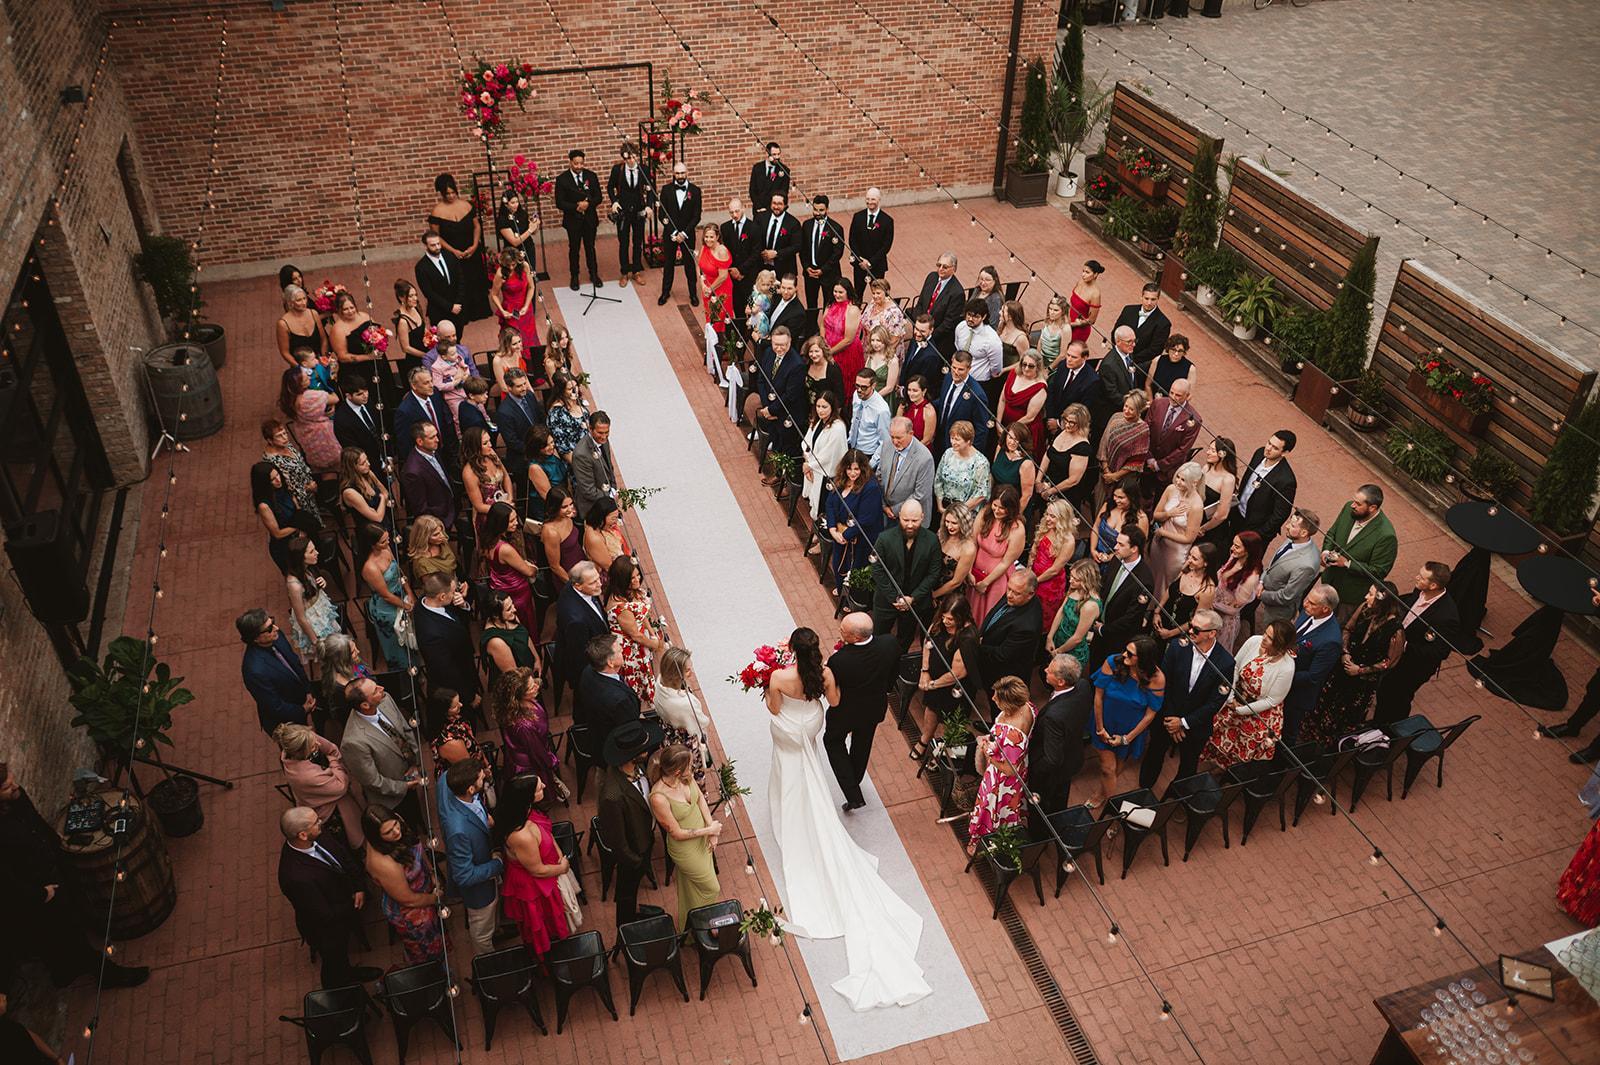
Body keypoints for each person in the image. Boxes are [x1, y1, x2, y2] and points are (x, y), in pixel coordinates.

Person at [763, 627, 931, 1008]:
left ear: (791, 649)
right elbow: (835, 702)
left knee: (790, 767)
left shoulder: (779, 677)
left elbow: (773, 708)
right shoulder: (824, 673)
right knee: (808, 762)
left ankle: (791, 808)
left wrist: (769, 689)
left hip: (788, 730)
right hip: (810, 724)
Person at [0, 763, 150, 990]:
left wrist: (57, 844)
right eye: (5, 787)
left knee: (68, 923)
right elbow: (7, 879)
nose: (13, 785)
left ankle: (64, 972)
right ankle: (107, 974)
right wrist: (41, 894)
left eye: (11, 779)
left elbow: (35, 821)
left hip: (51, 867)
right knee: (69, 934)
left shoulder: (16, 797)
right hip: (39, 886)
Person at [277, 807, 381, 987]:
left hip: (343, 904)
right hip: (328, 928)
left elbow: (344, 857)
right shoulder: (294, 876)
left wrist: (359, 887)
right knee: (334, 962)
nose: (321, 823)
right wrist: (353, 904)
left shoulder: (318, 835)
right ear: (302, 835)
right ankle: (340, 989)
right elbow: (323, 914)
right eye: (315, 822)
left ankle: (348, 973)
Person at [1139, 610, 1234, 790]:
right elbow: (1165, 683)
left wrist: (1183, 723)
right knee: (1153, 756)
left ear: (1212, 633)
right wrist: (1172, 720)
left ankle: (1172, 798)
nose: (1190, 631)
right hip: (1167, 718)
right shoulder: (1177, 647)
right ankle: (1143, 792)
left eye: (1196, 629)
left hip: (1195, 725)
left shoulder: (1226, 663)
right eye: (1190, 626)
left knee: (1187, 768)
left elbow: (1215, 702)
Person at [1300, 584, 1405, 747]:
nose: (1366, 597)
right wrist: (1345, 652)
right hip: (1342, 668)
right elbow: (1348, 629)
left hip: (1361, 684)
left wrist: (1360, 670)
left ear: (1381, 600)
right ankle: (1308, 737)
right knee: (1323, 702)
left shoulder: (1395, 630)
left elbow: (1390, 662)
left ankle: (1330, 746)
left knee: (1343, 714)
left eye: (1370, 594)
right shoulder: (1365, 609)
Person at [824, 613, 901, 812]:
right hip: (874, 707)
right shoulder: (889, 643)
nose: (839, 631)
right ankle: (855, 779)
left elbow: (834, 688)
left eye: (843, 630)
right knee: (862, 744)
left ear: (856, 637)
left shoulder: (839, 660)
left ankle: (853, 793)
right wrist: (886, 689)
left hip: (845, 711)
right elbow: (895, 669)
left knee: (832, 741)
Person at [1203, 620, 1296, 770]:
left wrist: (1241, 710)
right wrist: (1231, 697)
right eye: (1265, 633)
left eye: (1270, 638)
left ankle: (1226, 773)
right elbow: (1234, 667)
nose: (1264, 638)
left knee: (1238, 750)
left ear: (1280, 644)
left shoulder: (1287, 667)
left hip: (1257, 712)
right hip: (1234, 697)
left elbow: (1271, 700)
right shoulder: (1254, 641)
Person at [647, 743, 722, 929]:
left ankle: (689, 927)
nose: (692, 767)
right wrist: (709, 831)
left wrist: (711, 827)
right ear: (677, 771)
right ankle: (704, 923)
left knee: (691, 888)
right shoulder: (658, 797)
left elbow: (700, 800)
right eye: (689, 765)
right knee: (712, 888)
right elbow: (677, 833)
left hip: (703, 839)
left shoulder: (686, 778)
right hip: (686, 849)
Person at [597, 718, 664, 925]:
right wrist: (636, 861)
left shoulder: (638, 767)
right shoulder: (612, 796)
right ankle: (626, 924)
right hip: (634, 852)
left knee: (631, 889)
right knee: (627, 891)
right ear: (632, 756)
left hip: (645, 838)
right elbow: (617, 841)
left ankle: (633, 912)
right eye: (643, 749)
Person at [1374, 562, 1460, 723]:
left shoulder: (1446, 616)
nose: (1416, 578)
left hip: (1412, 666)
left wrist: (1404, 645)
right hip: (1394, 655)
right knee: (1384, 690)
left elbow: (1440, 652)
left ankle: (1390, 728)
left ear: (1433, 585)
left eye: (1421, 577)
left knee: (1398, 698)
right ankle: (1378, 721)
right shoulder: (1420, 590)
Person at [496, 773, 571, 955]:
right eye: (538, 787)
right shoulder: (522, 836)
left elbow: (546, 833)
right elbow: (537, 870)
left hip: (547, 873)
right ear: (527, 797)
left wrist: (557, 852)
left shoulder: (525, 811)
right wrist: (562, 868)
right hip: (535, 888)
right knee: (542, 923)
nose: (544, 786)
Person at [361, 808, 444, 965]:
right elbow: (408, 900)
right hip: (411, 912)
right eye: (388, 832)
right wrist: (435, 898)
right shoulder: (384, 864)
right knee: (423, 952)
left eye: (395, 825)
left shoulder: (396, 822)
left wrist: (432, 872)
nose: (396, 831)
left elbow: (416, 846)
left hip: (425, 894)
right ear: (376, 837)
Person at [1089, 635, 1165, 808]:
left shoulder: (1157, 678)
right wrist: (1100, 728)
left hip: (1131, 729)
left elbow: (1150, 714)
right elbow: (1098, 696)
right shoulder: (1113, 662)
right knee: (1107, 767)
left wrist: (1126, 739)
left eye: (1130, 654)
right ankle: (1112, 809)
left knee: (1117, 766)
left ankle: (1103, 792)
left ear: (1144, 658)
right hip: (1105, 722)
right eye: (1125, 650)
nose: (1124, 655)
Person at [438, 759, 504, 954]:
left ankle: (497, 932)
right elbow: (464, 875)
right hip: (480, 891)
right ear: (470, 789)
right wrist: (497, 863)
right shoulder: (458, 831)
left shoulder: (447, 780)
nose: (485, 777)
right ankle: (487, 962)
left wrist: (484, 816)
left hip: (483, 853)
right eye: (481, 778)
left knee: (492, 920)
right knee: (481, 933)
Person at [342, 675, 424, 826]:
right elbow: (373, 781)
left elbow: (405, 730)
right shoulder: (353, 741)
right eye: (375, 691)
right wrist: (404, 786)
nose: (382, 689)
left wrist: (415, 763)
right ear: (365, 705)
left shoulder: (385, 699)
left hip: (410, 774)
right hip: (392, 798)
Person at [967, 675, 1035, 854]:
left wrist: (986, 751)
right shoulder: (1028, 707)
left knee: (990, 807)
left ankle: (982, 840)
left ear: (1009, 703)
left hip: (1001, 780)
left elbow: (1010, 770)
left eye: (997, 697)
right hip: (1020, 765)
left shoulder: (1013, 733)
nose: (992, 698)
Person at [276, 723, 366, 848]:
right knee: (351, 839)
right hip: (332, 811)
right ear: (302, 752)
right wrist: (334, 762)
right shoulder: (306, 776)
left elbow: (331, 748)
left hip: (334, 794)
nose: (318, 744)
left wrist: (333, 765)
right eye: (313, 746)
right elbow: (340, 786)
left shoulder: (303, 740)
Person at [912, 595, 980, 759]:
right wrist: (925, 671)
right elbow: (928, 642)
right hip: (934, 678)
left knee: (952, 722)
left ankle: (944, 755)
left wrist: (932, 685)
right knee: (931, 709)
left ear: (961, 617)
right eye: (943, 617)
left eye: (950, 619)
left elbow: (957, 673)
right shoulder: (939, 622)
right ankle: (925, 740)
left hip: (955, 688)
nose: (945, 621)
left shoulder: (967, 638)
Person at [1318, 484, 1398, 620]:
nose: (1353, 505)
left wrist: (1347, 564)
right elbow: (1332, 533)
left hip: (1348, 597)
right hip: (1329, 581)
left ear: (1372, 508)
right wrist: (1326, 551)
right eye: (1354, 501)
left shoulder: (1386, 535)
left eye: (1358, 504)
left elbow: (1379, 571)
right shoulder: (1348, 509)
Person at [1027, 655, 1094, 818]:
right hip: (1071, 755)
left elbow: (1052, 759)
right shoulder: (1083, 685)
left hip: (1052, 771)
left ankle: (1041, 829)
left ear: (1061, 682)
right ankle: (1058, 816)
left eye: (1049, 671)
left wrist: (1033, 769)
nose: (1045, 670)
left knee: (1041, 804)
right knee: (1060, 796)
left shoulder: (1053, 717)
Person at [869, 499, 941, 644]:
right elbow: (877, 569)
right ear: (899, 516)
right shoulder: (884, 538)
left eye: (914, 520)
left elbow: (933, 574)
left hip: (915, 603)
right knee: (878, 638)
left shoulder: (932, 540)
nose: (909, 525)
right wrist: (895, 598)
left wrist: (913, 598)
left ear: (922, 517)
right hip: (886, 601)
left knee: (905, 640)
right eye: (905, 520)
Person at [1281, 584, 1343, 743]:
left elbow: (1313, 676)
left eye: (1312, 603)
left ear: (1325, 609)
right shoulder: (1309, 611)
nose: (1305, 604)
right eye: (1307, 599)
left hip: (1297, 694)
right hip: (1283, 677)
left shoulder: (1331, 640)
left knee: (1287, 731)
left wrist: (1282, 676)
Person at [239, 608, 314, 735]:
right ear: (255, 639)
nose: (276, 628)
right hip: (286, 722)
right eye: (269, 628)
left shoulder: (276, 636)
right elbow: (275, 706)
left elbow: (294, 662)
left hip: (301, 699)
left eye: (272, 622)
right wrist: (302, 710)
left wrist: (308, 690)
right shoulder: (254, 671)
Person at [427, 173, 490, 323]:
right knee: (458, 283)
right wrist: (453, 251)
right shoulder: (437, 211)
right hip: (452, 252)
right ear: (441, 193)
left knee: (475, 278)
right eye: (447, 194)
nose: (451, 196)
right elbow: (436, 237)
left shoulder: (467, 206)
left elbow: (476, 226)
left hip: (471, 250)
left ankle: (479, 310)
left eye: (453, 192)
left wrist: (474, 245)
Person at [413, 572, 481, 710]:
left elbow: (458, 619)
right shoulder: (431, 635)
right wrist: (470, 696)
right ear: (442, 597)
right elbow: (447, 672)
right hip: (458, 680)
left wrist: (463, 605)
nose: (456, 594)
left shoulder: (425, 601)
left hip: (465, 659)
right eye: (453, 592)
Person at [1091, 527, 1155, 672]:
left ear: (1134, 549)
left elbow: (1132, 617)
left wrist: (1103, 629)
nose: (1115, 547)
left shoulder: (1144, 580)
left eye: (1121, 544)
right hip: (1100, 630)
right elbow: (1104, 587)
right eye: (1117, 542)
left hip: (1117, 639)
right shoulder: (1116, 560)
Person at [492, 667, 560, 794]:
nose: (537, 686)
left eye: (533, 681)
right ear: (518, 696)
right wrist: (551, 762)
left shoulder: (522, 704)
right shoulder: (524, 725)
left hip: (533, 750)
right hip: (531, 763)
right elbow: (536, 753)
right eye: (531, 687)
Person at [824, 449, 884, 592]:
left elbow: (866, 520)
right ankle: (841, 589)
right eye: (849, 469)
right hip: (840, 533)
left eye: (856, 469)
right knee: (838, 563)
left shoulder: (871, 487)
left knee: (855, 569)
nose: (852, 473)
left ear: (862, 468)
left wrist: (844, 535)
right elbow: (830, 503)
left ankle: (850, 596)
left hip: (860, 539)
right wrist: (832, 529)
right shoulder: (840, 479)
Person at [607, 555, 663, 703]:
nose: (637, 580)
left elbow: (642, 615)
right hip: (630, 650)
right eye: (632, 578)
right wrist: (655, 644)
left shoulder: (628, 592)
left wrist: (652, 632)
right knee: (636, 683)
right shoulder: (621, 607)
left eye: (638, 575)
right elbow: (635, 635)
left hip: (639, 642)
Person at [555, 562, 610, 707]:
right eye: (593, 583)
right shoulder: (576, 621)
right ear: (578, 586)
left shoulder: (576, 588)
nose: (599, 584)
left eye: (598, 578)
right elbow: (580, 658)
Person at [283, 536, 343, 669]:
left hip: (320, 608)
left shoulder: (308, 568)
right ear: (300, 557)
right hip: (313, 620)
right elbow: (301, 618)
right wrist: (316, 642)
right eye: (311, 551)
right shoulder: (294, 585)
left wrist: (322, 583)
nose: (317, 553)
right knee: (330, 655)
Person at [967, 487, 1025, 623]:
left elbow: (1006, 562)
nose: (997, 510)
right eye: (995, 505)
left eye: (1002, 508)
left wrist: (985, 583)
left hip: (996, 579)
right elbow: (972, 542)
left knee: (988, 614)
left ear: (1011, 509)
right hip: (975, 573)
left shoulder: (1017, 529)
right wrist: (968, 570)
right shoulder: (984, 513)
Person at [978, 570, 1044, 689]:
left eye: (1016, 593)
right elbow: (995, 612)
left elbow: (1003, 655)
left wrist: (979, 646)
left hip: (1003, 675)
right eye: (1009, 589)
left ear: (1030, 594)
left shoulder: (1027, 626)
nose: (1009, 595)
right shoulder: (1016, 594)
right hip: (990, 655)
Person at [654, 646, 712, 779]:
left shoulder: (661, 681)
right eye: (687, 670)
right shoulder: (684, 704)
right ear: (675, 674)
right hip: (684, 740)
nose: (691, 672)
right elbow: (701, 722)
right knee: (691, 772)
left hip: (668, 732)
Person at [1257, 509, 1322, 627]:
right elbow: (1274, 563)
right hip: (1266, 591)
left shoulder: (1307, 565)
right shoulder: (1294, 538)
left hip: (1278, 612)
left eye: (1292, 525)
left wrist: (1262, 594)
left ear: (1304, 533)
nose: (1286, 526)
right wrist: (1262, 581)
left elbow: (1287, 596)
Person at [1150, 461, 1207, 593]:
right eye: (1178, 477)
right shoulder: (1171, 489)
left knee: (1164, 584)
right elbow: (1156, 515)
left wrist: (1164, 533)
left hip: (1175, 552)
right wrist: (1169, 513)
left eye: (1183, 480)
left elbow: (1189, 538)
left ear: (1194, 482)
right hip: (1158, 543)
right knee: (1152, 572)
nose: (1178, 482)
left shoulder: (1196, 505)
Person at [1232, 430, 1298, 542]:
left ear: (1285, 452)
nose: (1268, 448)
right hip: (1237, 514)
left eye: (1275, 448)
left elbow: (1280, 514)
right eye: (1269, 443)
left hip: (1254, 529)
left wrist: (1259, 534)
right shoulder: (1259, 453)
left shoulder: (1287, 480)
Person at [554, 148, 603, 290]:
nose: (579, 166)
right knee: (574, 249)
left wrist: (588, 204)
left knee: (590, 247)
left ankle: (593, 274)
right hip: (573, 220)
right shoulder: (562, 179)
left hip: (589, 219)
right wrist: (576, 206)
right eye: (576, 163)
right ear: (570, 162)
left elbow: (598, 197)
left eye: (581, 163)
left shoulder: (591, 176)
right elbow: (560, 202)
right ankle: (574, 276)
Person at [608, 142, 655, 287]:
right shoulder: (618, 170)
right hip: (623, 211)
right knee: (623, 242)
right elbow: (610, 187)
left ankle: (636, 270)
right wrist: (614, 202)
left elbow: (651, 189)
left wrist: (649, 206)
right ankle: (624, 272)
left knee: (638, 241)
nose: (631, 160)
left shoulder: (644, 170)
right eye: (628, 158)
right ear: (624, 158)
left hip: (639, 210)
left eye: (633, 157)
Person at [578, 634, 642, 740]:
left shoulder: (588, 671)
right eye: (619, 651)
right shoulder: (620, 700)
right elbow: (630, 730)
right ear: (610, 663)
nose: (623, 651)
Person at [1154, 544, 1218, 648]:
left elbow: (1196, 621)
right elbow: (1170, 589)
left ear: (1206, 563)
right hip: (1162, 620)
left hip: (1178, 633)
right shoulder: (1187, 570)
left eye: (1194, 559)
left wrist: (1170, 633)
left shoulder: (1207, 590)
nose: (1189, 560)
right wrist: (1157, 611)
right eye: (1189, 555)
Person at [280, 365, 341, 473]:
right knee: (338, 467)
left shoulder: (289, 398)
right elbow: (335, 398)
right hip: (324, 437)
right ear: (300, 384)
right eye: (306, 377)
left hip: (306, 436)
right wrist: (331, 380)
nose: (309, 377)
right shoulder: (311, 396)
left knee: (322, 470)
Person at [657, 162, 703, 305]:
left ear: (687, 172)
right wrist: (674, 232)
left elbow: (696, 216)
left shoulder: (695, 191)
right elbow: (662, 214)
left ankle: (693, 294)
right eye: (677, 173)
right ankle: (665, 292)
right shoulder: (666, 190)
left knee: (689, 265)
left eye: (682, 173)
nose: (680, 176)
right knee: (668, 264)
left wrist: (683, 233)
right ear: (673, 174)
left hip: (687, 234)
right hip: (670, 234)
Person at [1145, 377, 1202, 493]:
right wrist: (1149, 458)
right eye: (1171, 392)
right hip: (1146, 462)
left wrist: (1159, 465)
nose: (1173, 397)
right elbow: (1145, 430)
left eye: (1178, 395)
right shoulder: (1158, 404)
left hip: (1168, 472)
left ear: (1187, 396)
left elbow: (1183, 449)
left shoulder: (1194, 419)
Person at [933, 350, 993, 456]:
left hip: (958, 447)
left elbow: (981, 429)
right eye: (954, 367)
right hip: (939, 438)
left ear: (969, 369)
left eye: (961, 369)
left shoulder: (977, 394)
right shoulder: (948, 378)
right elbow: (943, 401)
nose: (956, 372)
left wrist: (969, 455)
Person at [1098, 390, 1151, 510]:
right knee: (1099, 503)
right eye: (1126, 406)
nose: (1126, 410)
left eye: (1131, 409)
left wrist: (1115, 476)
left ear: (1139, 410)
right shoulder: (1115, 417)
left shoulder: (1143, 429)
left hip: (1123, 479)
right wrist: (1106, 470)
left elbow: (1137, 460)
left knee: (1114, 507)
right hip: (1104, 472)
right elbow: (1103, 443)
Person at [1047, 559, 1103, 673]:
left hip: (1072, 652)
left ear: (1087, 581)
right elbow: (1062, 611)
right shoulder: (1074, 588)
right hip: (1059, 640)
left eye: (1076, 579)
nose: (1070, 580)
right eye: (1071, 576)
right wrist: (1050, 637)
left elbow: (1077, 638)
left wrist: (1058, 652)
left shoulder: (1090, 605)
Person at [394, 365, 457, 465]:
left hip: (447, 453)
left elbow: (446, 421)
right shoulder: (405, 411)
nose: (431, 385)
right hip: (427, 460)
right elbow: (405, 444)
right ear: (414, 386)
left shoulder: (435, 393)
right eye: (426, 383)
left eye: (431, 381)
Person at [1039, 401, 1094, 515]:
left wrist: (1051, 491)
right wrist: (1038, 480)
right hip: (1047, 488)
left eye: (1072, 423)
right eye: (1066, 420)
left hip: (1065, 496)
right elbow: (1048, 455)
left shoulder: (1083, 447)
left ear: (1081, 424)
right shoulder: (1060, 432)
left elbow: (1073, 480)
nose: (1067, 425)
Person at [496, 368, 543, 502]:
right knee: (529, 497)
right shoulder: (504, 411)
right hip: (522, 459)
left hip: (540, 451)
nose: (524, 388)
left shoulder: (530, 396)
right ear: (509, 388)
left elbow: (540, 418)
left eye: (524, 384)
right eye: (519, 386)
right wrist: (534, 450)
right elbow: (512, 441)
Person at [1213, 531, 1265, 651]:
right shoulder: (1235, 557)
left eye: (1237, 546)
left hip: (1223, 620)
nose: (1232, 548)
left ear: (1248, 551)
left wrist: (1212, 604)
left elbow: (1234, 607)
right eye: (1233, 544)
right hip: (1213, 606)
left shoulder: (1251, 577)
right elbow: (1219, 576)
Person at [400, 421, 456, 530]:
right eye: (432, 437)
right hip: (439, 520)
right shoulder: (413, 472)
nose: (437, 440)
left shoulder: (432, 450)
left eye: (436, 435)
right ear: (420, 441)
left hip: (450, 507)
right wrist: (438, 526)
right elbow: (421, 509)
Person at [252, 462, 305, 575]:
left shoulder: (283, 487)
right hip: (284, 547)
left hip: (298, 538)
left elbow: (298, 509)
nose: (278, 480)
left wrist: (301, 529)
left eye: (277, 475)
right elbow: (277, 534)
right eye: (272, 479)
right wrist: (299, 526)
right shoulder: (264, 506)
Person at [801, 391, 848, 519]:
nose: (820, 410)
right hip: (813, 467)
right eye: (818, 406)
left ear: (832, 407)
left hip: (826, 474)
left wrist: (810, 466)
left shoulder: (838, 428)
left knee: (823, 507)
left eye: (824, 407)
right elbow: (807, 442)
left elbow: (829, 455)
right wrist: (807, 461)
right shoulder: (818, 421)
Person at [1030, 500, 1077, 628]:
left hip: (1050, 585)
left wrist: (1035, 581)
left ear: (1062, 518)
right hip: (1034, 575)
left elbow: (1055, 569)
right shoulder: (1046, 527)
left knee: (1042, 616)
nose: (1047, 519)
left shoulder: (1068, 541)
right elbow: (1034, 549)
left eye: (1052, 516)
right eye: (1047, 514)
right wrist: (1029, 570)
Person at [1112, 282, 1172, 382]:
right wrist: (1120, 353)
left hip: (1139, 366)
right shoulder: (1128, 310)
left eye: (1153, 299)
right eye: (1146, 298)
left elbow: (1155, 350)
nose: (1149, 303)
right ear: (1141, 297)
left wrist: (1129, 359)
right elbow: (1115, 332)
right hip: (1117, 357)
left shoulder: (1163, 323)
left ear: (1158, 299)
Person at [955, 298, 1005, 415]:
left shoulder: (992, 340)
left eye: (975, 316)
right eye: (969, 315)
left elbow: (996, 368)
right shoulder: (961, 327)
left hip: (977, 382)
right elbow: (957, 346)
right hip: (958, 375)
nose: (970, 319)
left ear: (984, 317)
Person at [880, 416, 936, 521]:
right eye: (892, 437)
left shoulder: (924, 458)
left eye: (899, 438)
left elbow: (920, 495)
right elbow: (880, 475)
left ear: (911, 434)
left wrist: (893, 510)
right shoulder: (887, 444)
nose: (895, 442)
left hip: (912, 518)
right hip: (886, 513)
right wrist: (883, 505)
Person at [462, 425, 511, 539]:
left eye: (489, 441)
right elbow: (479, 506)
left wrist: (510, 498)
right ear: (475, 447)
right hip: (488, 516)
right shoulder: (469, 472)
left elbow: (506, 477)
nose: (490, 445)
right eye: (485, 443)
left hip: (505, 506)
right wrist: (502, 510)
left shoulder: (491, 454)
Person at [1091, 483, 1149, 579]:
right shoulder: (1108, 505)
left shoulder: (1141, 519)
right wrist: (1093, 550)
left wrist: (1110, 558)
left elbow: (1137, 548)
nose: (1116, 500)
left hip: (1118, 563)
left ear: (1132, 498)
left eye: (1121, 497)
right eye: (1115, 495)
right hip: (1096, 554)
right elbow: (1096, 527)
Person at [934, 419, 991, 514]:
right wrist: (940, 506)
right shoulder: (948, 453)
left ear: (968, 441)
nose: (953, 442)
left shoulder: (980, 462)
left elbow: (980, 494)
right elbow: (938, 480)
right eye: (952, 438)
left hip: (966, 512)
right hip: (945, 508)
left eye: (957, 439)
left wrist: (958, 512)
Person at [799, 194, 846, 308]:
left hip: (829, 274)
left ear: (827, 209)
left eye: (821, 210)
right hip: (810, 273)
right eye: (815, 209)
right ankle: (812, 320)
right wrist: (806, 267)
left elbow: (837, 253)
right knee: (811, 304)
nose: (818, 213)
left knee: (829, 304)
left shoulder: (836, 228)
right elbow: (803, 249)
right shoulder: (806, 225)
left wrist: (822, 270)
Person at [490, 246, 540, 351]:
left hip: (525, 308)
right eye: (508, 265)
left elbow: (531, 287)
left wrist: (526, 306)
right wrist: (502, 311)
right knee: (514, 339)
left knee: (529, 337)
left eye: (513, 264)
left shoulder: (525, 266)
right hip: (510, 310)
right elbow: (494, 294)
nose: (511, 267)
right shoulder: (501, 273)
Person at [1094, 327, 1138, 445]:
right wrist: (1133, 405)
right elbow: (1112, 394)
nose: (1133, 344)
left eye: (1134, 341)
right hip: (1109, 415)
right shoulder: (1109, 365)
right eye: (1129, 341)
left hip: (1124, 409)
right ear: (1118, 341)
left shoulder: (1128, 354)